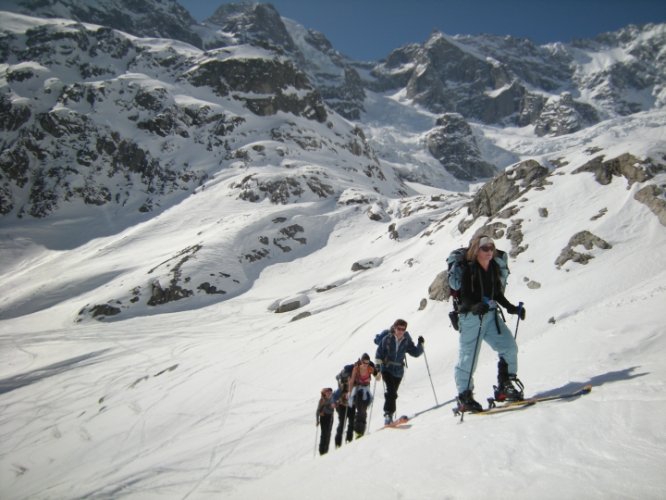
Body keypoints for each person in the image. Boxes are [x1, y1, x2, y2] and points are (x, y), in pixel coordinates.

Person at [454, 235, 526, 413]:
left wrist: (511, 308)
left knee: (509, 347)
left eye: (491, 248)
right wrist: (474, 306)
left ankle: (505, 386)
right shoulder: (469, 270)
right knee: (468, 358)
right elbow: (464, 295)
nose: (489, 251)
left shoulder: (493, 267)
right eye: (485, 248)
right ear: (476, 251)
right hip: (471, 318)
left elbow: (497, 293)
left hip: (491, 316)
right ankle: (464, 396)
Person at [374, 319, 424, 425]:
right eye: (399, 328)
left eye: (403, 329)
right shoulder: (387, 339)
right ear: (394, 328)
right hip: (386, 369)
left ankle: (390, 415)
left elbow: (415, 353)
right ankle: (388, 415)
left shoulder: (406, 340)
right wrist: (378, 369)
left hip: (398, 372)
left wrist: (421, 344)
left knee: (393, 393)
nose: (401, 331)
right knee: (391, 391)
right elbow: (379, 354)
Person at [347, 353, 379, 438]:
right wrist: (349, 392)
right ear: (361, 362)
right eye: (364, 363)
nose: (366, 365)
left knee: (363, 411)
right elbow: (352, 380)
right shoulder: (356, 368)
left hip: (366, 390)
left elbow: (377, 376)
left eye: (367, 363)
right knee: (360, 410)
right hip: (358, 390)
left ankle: (361, 431)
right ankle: (357, 431)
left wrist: (378, 374)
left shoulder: (369, 368)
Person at [316, 387, 335, 455]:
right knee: (324, 433)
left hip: (329, 417)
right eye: (328, 393)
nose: (329, 394)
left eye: (330, 393)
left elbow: (333, 406)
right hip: (323, 418)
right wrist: (317, 420)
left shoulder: (331, 399)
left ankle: (325, 450)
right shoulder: (321, 400)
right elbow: (318, 411)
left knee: (327, 433)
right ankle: (322, 451)